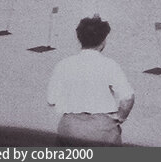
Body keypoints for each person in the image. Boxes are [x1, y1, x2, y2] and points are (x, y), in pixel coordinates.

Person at [47, 15, 135, 146]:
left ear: (79, 39)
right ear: (103, 41)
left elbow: (51, 100)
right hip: (102, 129)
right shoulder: (109, 65)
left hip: (70, 128)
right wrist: (120, 117)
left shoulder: (63, 64)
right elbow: (128, 98)